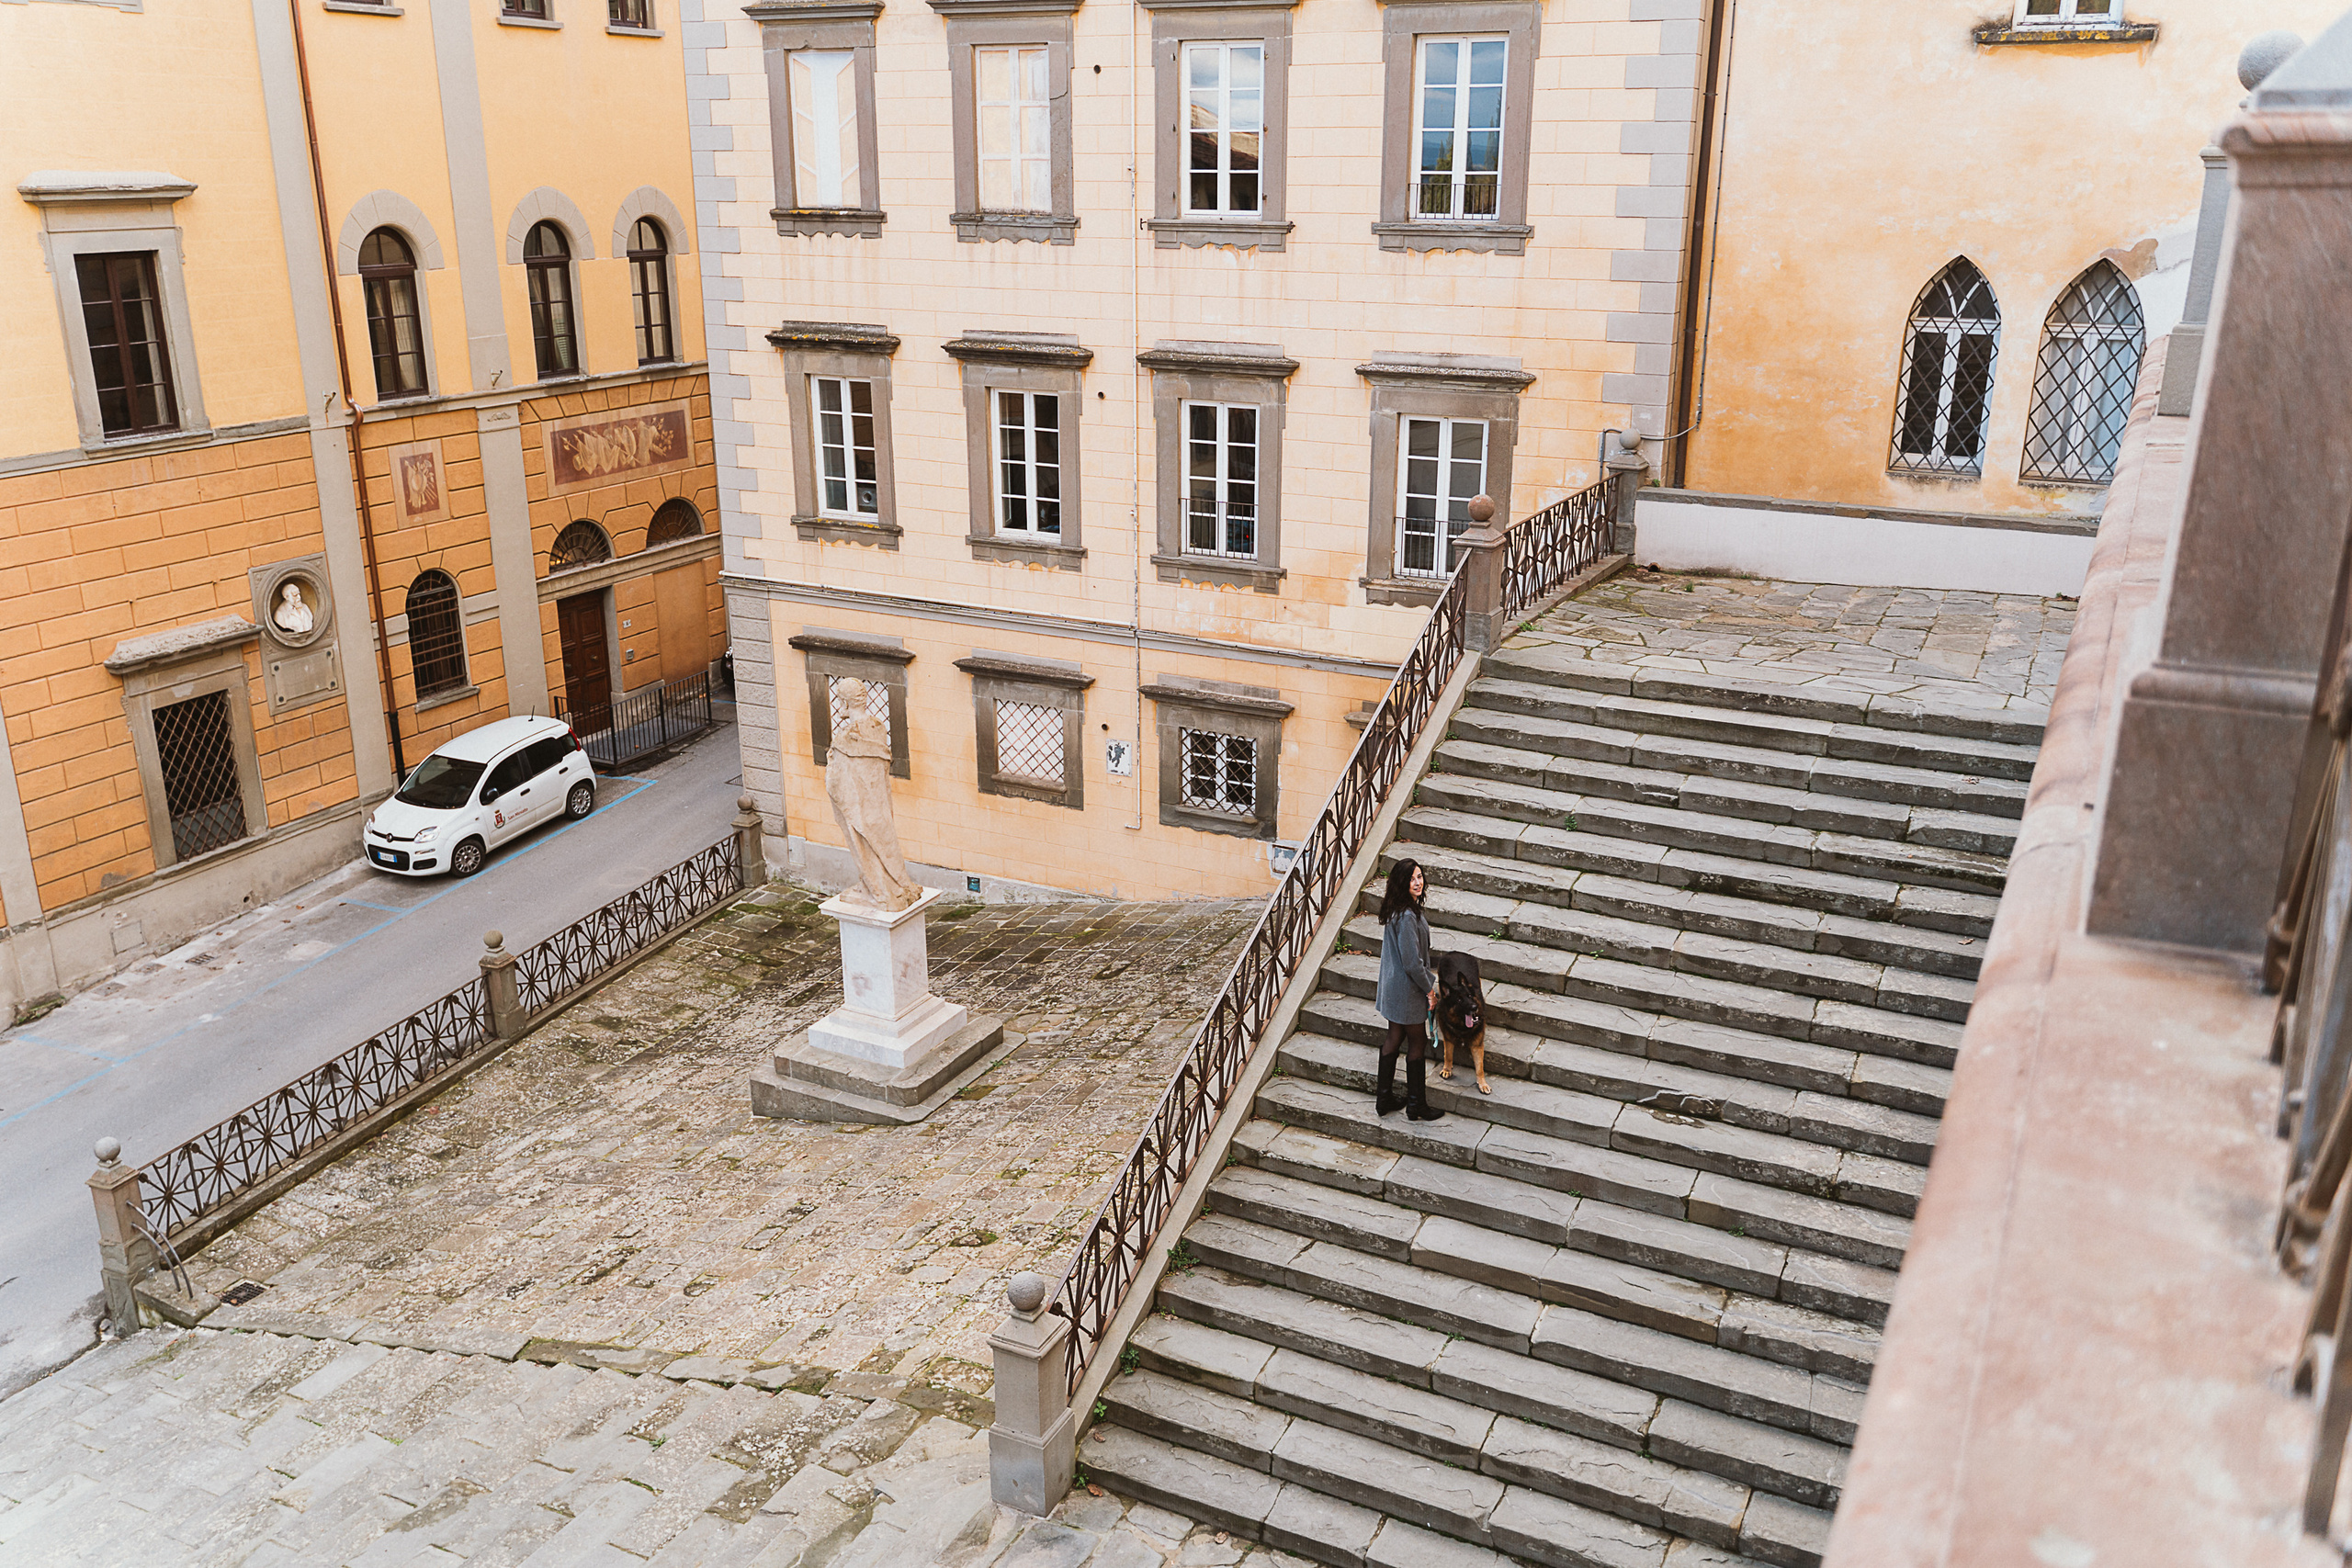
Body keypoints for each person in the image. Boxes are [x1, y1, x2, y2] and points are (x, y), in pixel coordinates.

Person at [1374, 858, 1442, 1122]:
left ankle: (1384, 1099)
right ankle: (1416, 1106)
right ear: (1401, 883)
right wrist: (1430, 990)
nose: (1418, 882)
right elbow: (1412, 962)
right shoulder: (1405, 916)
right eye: (1412, 878)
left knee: (1394, 1037)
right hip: (1407, 989)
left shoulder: (1400, 909)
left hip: (1394, 986)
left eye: (1420, 876)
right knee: (1417, 1041)